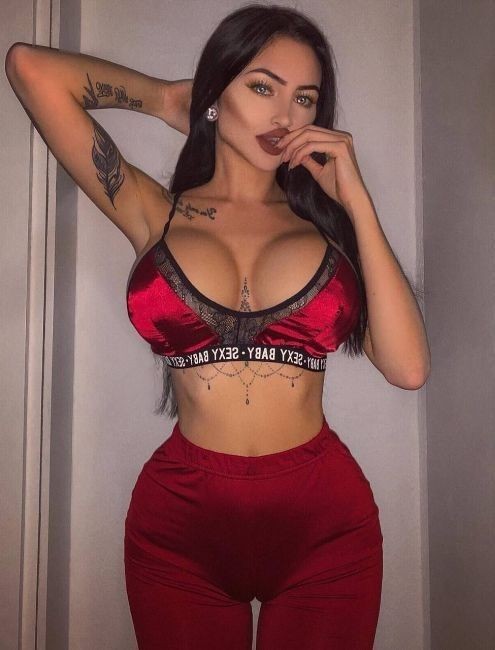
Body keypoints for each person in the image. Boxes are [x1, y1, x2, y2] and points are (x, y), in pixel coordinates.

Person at [6, 3, 430, 648]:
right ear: (217, 93)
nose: (285, 116)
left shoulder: (328, 230)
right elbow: (30, 68)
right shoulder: (153, 211)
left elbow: (408, 368)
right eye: (262, 87)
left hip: (325, 528)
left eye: (305, 98)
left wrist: (356, 199)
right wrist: (167, 100)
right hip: (180, 530)